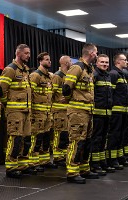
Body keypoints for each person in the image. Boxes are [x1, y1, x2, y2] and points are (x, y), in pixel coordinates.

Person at [62, 43, 98, 184]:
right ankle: (72, 172)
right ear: (90, 53)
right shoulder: (77, 67)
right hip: (77, 111)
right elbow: (66, 89)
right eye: (96, 52)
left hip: (88, 111)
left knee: (86, 141)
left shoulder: (90, 69)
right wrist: (74, 105)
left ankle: (84, 169)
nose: (96, 54)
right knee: (76, 141)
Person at [0, 44, 32, 178]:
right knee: (15, 138)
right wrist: (8, 105)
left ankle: (23, 165)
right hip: (15, 111)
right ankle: (11, 167)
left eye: (29, 53)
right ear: (18, 54)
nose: (28, 56)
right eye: (26, 53)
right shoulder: (10, 69)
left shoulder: (25, 70)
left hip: (26, 110)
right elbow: (1, 90)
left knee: (26, 138)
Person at [28, 52, 55, 172]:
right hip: (37, 113)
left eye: (50, 59)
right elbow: (29, 93)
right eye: (46, 60)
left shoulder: (49, 76)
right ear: (40, 61)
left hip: (48, 113)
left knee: (46, 138)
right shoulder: (35, 75)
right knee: (36, 138)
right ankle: (34, 162)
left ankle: (44, 160)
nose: (49, 61)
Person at [106, 53, 128, 170]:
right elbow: (110, 93)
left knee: (121, 135)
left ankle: (119, 156)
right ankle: (112, 159)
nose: (126, 62)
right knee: (114, 135)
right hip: (116, 111)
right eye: (124, 60)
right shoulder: (113, 74)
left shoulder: (122, 74)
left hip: (123, 111)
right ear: (117, 62)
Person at [90, 54, 114, 175]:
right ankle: (94, 164)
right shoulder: (94, 75)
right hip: (97, 114)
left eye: (106, 62)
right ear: (97, 63)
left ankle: (101, 161)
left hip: (107, 114)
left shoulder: (108, 76)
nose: (105, 64)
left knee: (104, 139)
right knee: (96, 139)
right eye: (102, 62)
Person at [51, 55, 71, 165]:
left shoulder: (68, 76)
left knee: (65, 134)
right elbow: (51, 93)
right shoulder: (57, 76)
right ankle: (57, 157)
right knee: (59, 133)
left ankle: (63, 155)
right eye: (70, 62)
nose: (72, 64)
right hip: (59, 111)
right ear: (66, 63)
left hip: (67, 111)